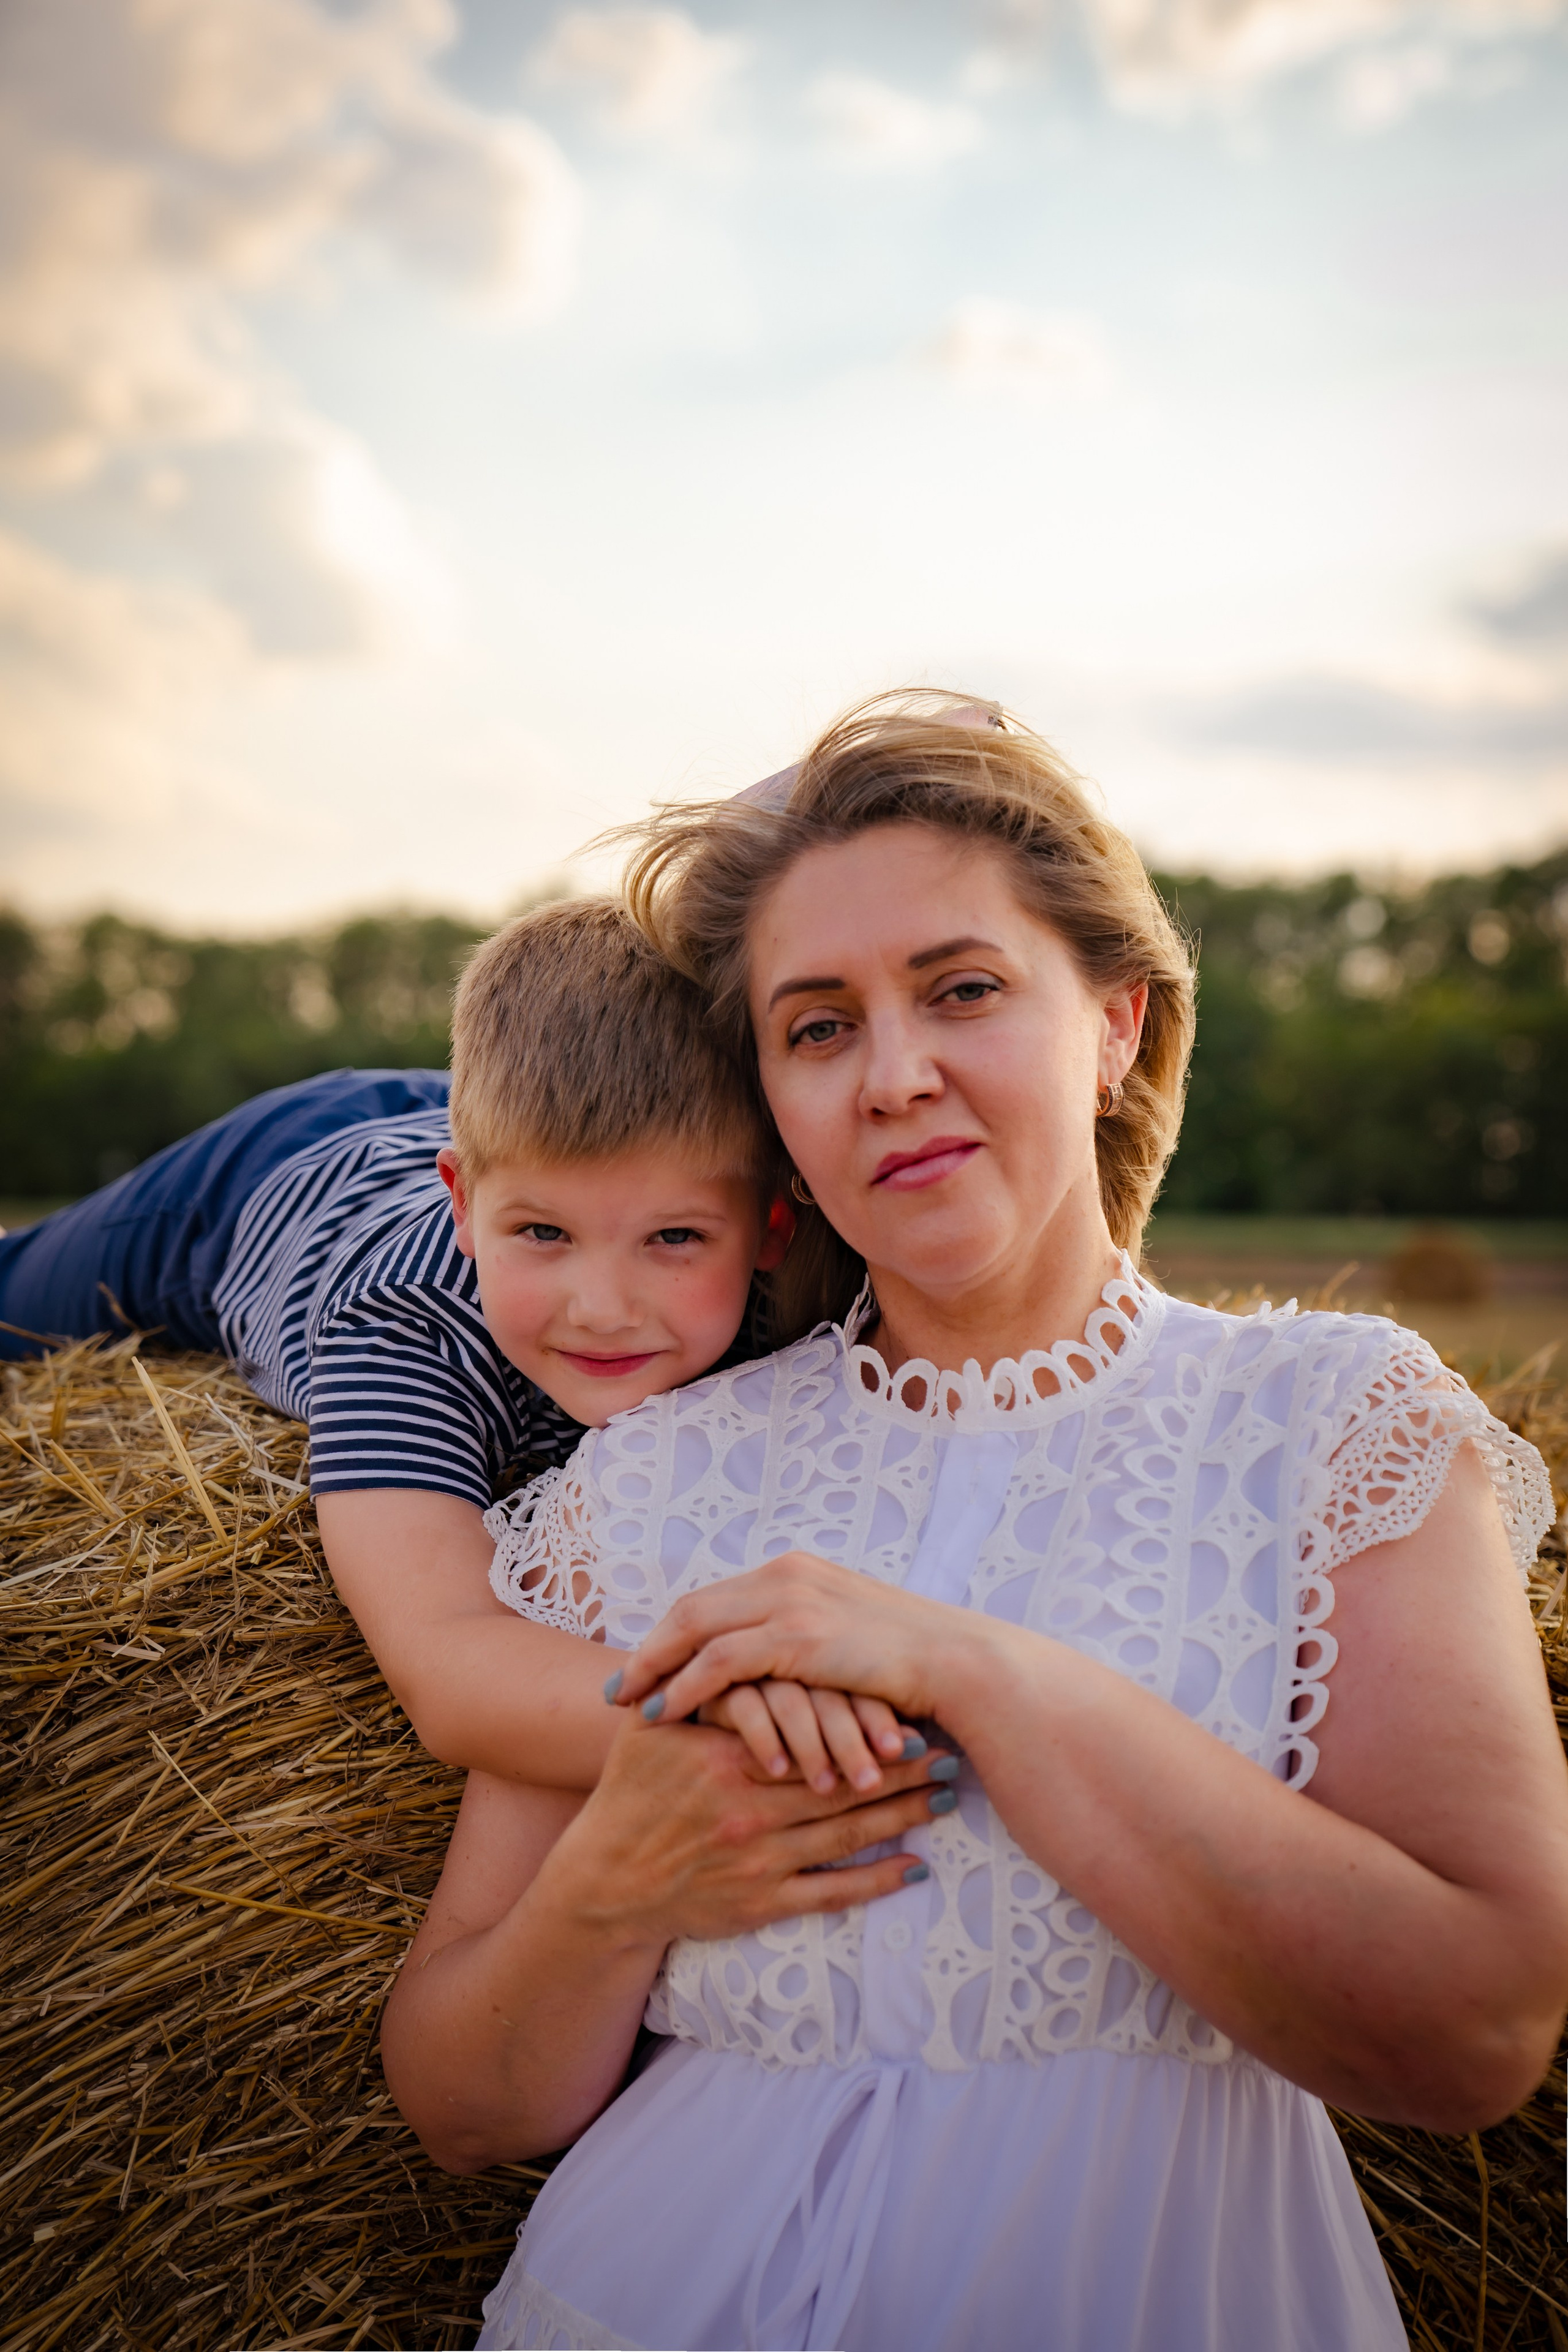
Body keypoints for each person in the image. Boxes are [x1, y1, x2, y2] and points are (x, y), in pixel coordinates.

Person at [382, 691, 1568, 2352]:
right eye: (815, 1027)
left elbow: (1477, 2029)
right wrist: (614, 1881)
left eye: (963, 990)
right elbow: (458, 2100)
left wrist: (977, 1674)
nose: (894, 1075)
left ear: (1116, 1026)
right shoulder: (653, 1476)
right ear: (776, 1108)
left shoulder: (1335, 1425)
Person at [0, 899, 908, 1793]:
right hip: (260, 1183)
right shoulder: (405, 1330)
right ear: (466, 1208)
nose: (599, 1309)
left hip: (503, 1118)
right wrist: (745, 1731)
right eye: (543, 1236)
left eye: (674, 1240)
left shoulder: (802, 1301)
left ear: (774, 1228)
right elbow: (449, 1665)